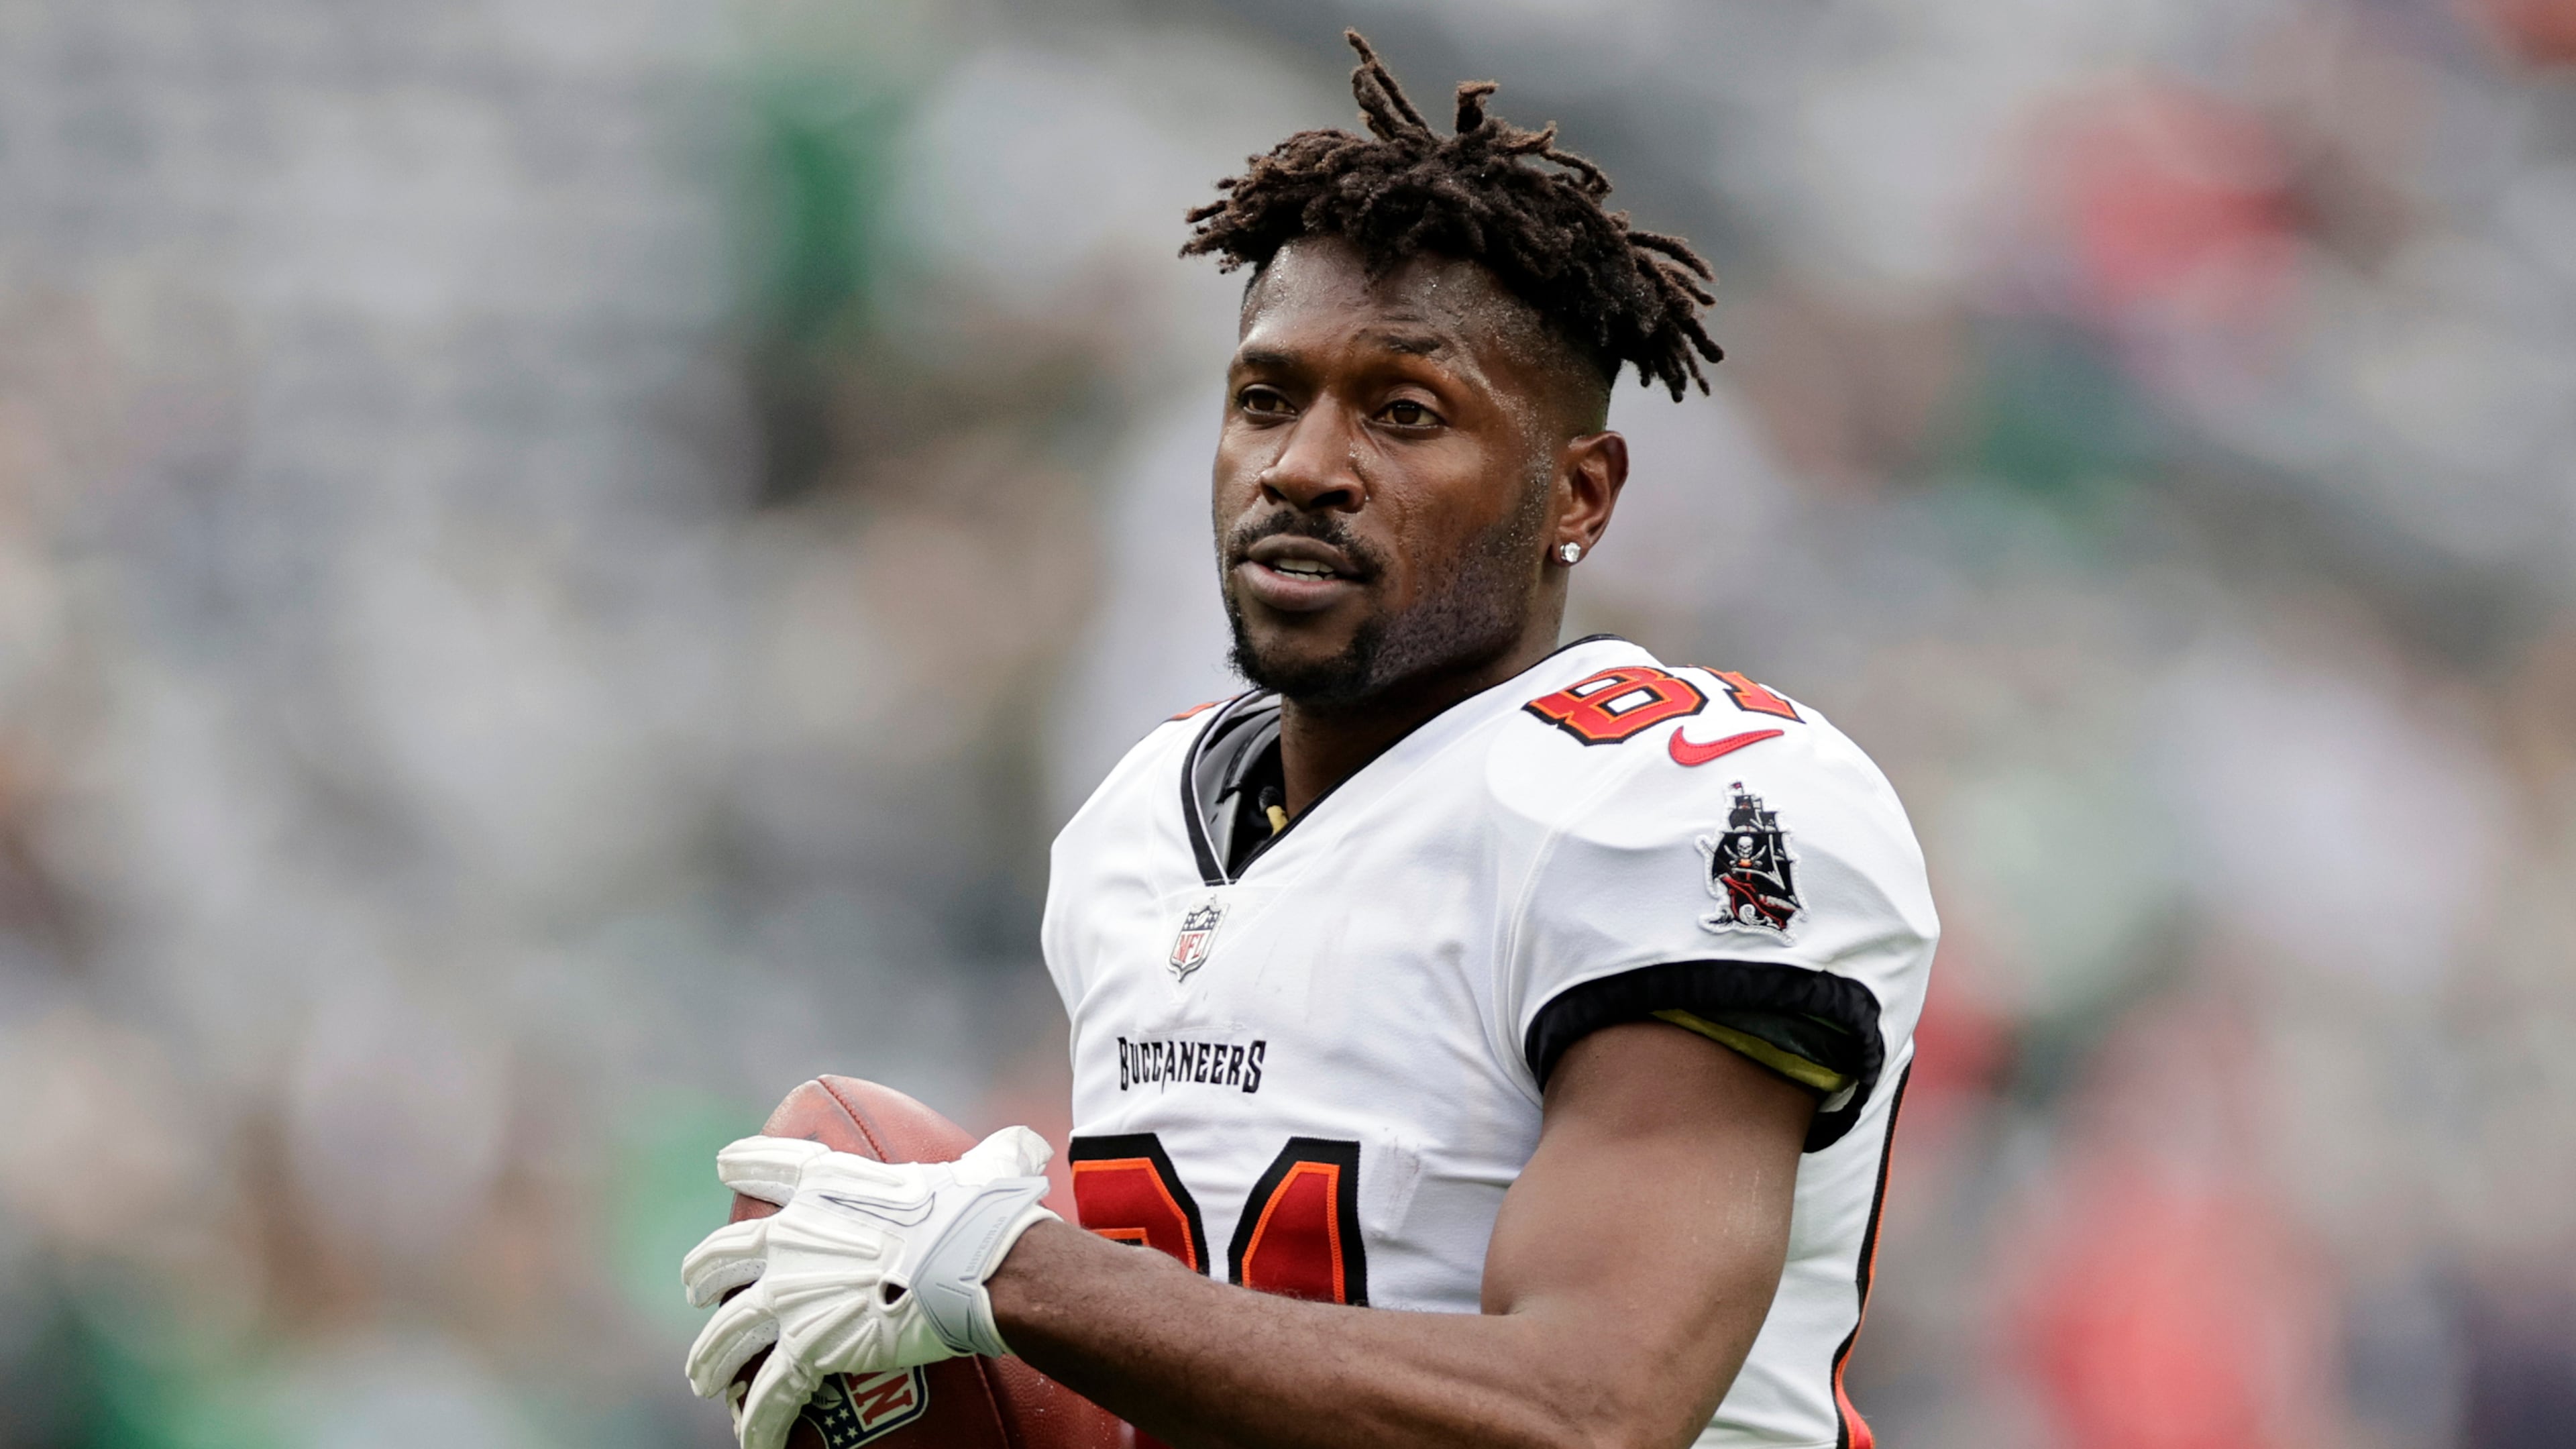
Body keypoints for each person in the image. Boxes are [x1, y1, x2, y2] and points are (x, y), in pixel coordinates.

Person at [680, 33, 1936, 1449]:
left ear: (1578, 495)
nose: (1303, 467)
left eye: (1405, 414)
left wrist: (1005, 1270)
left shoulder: (1685, 800)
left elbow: (1596, 1414)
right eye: (1267, 399)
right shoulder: (1138, 818)